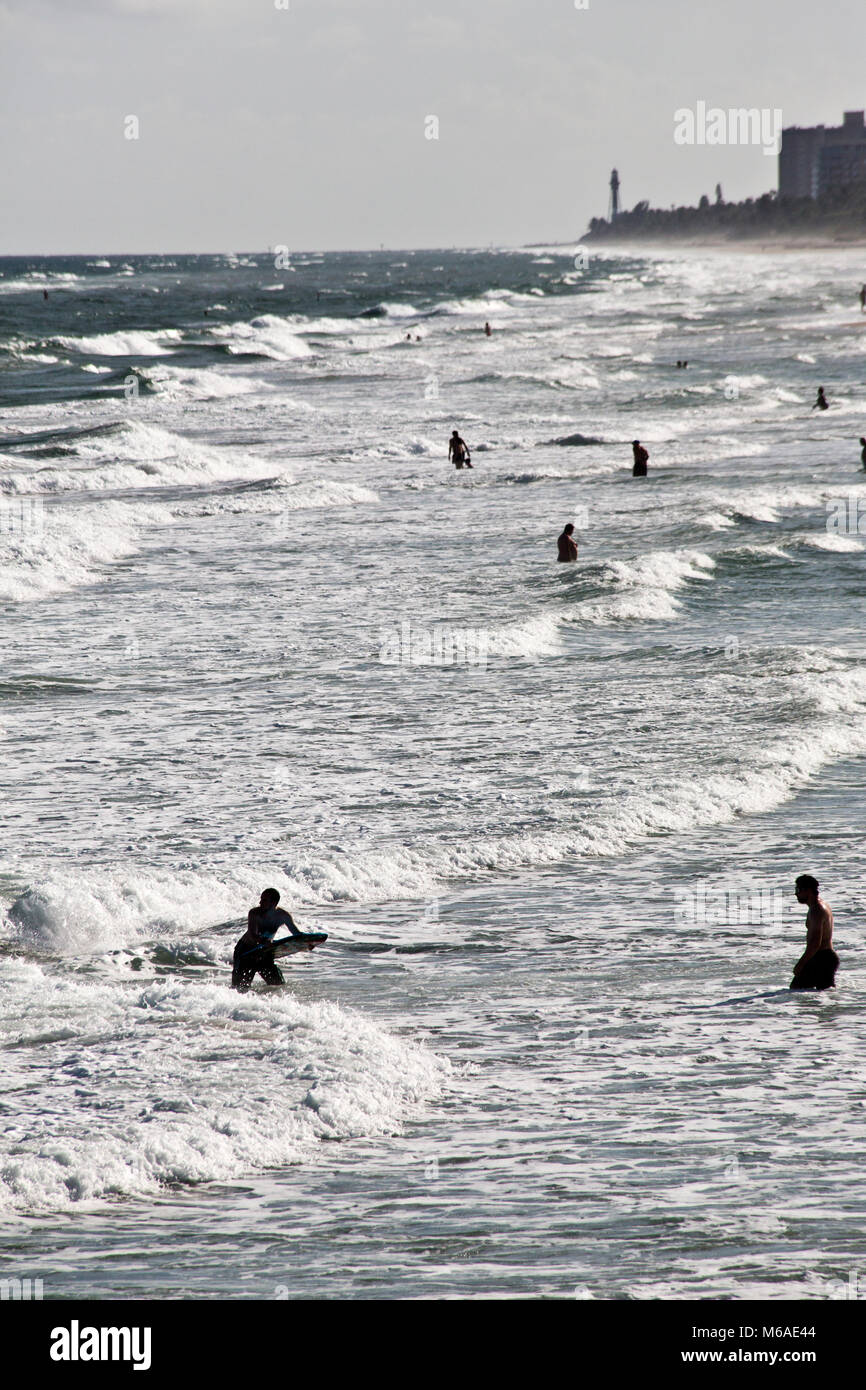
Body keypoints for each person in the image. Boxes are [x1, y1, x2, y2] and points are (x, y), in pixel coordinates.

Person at [231, 887, 303, 992]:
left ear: (274, 903)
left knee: (278, 985)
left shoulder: (283, 916)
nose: (260, 902)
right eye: (261, 899)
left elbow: (296, 934)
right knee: (239, 989)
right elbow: (252, 935)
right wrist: (264, 941)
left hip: (264, 952)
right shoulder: (254, 913)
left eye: (264, 900)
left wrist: (307, 942)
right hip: (246, 952)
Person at [789, 875, 839, 991]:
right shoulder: (820, 906)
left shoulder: (816, 910)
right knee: (821, 995)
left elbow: (815, 943)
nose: (796, 894)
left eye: (798, 890)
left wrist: (801, 964)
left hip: (822, 958)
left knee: (796, 991)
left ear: (809, 891)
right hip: (824, 957)